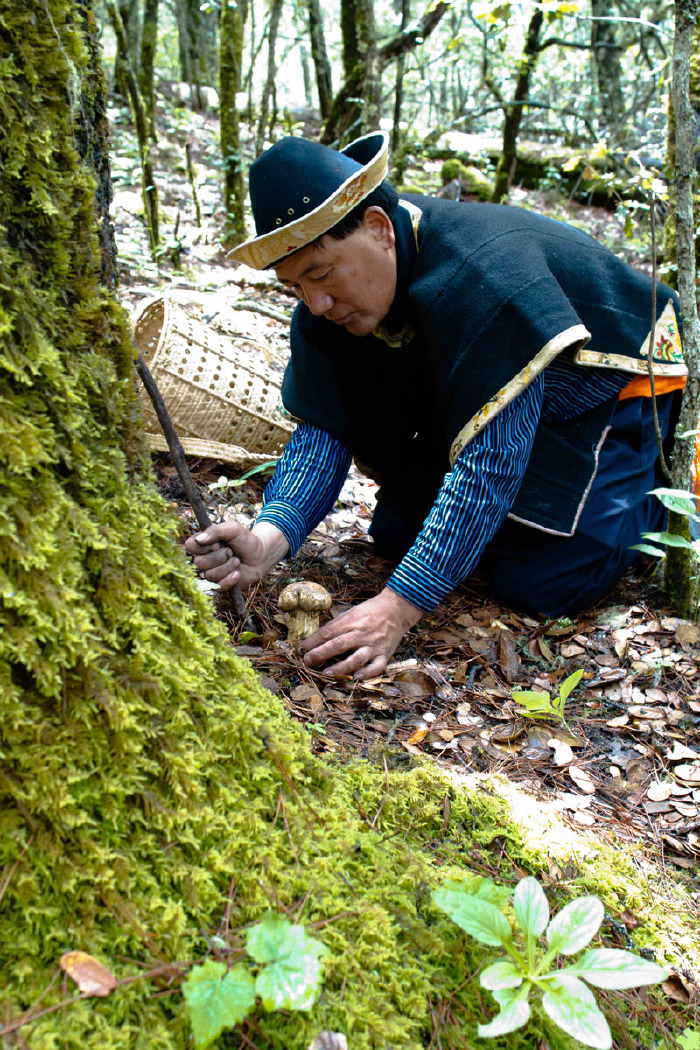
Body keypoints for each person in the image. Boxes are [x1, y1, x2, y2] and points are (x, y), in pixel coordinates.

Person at [185, 131, 687, 680]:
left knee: (543, 585)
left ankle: (651, 507)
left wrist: (399, 608)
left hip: (614, 383)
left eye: (323, 274)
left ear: (378, 229)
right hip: (496, 400)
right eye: (296, 286)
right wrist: (268, 538)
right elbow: (328, 427)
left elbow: (489, 465)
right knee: (397, 534)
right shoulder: (328, 306)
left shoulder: (484, 278)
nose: (316, 304)